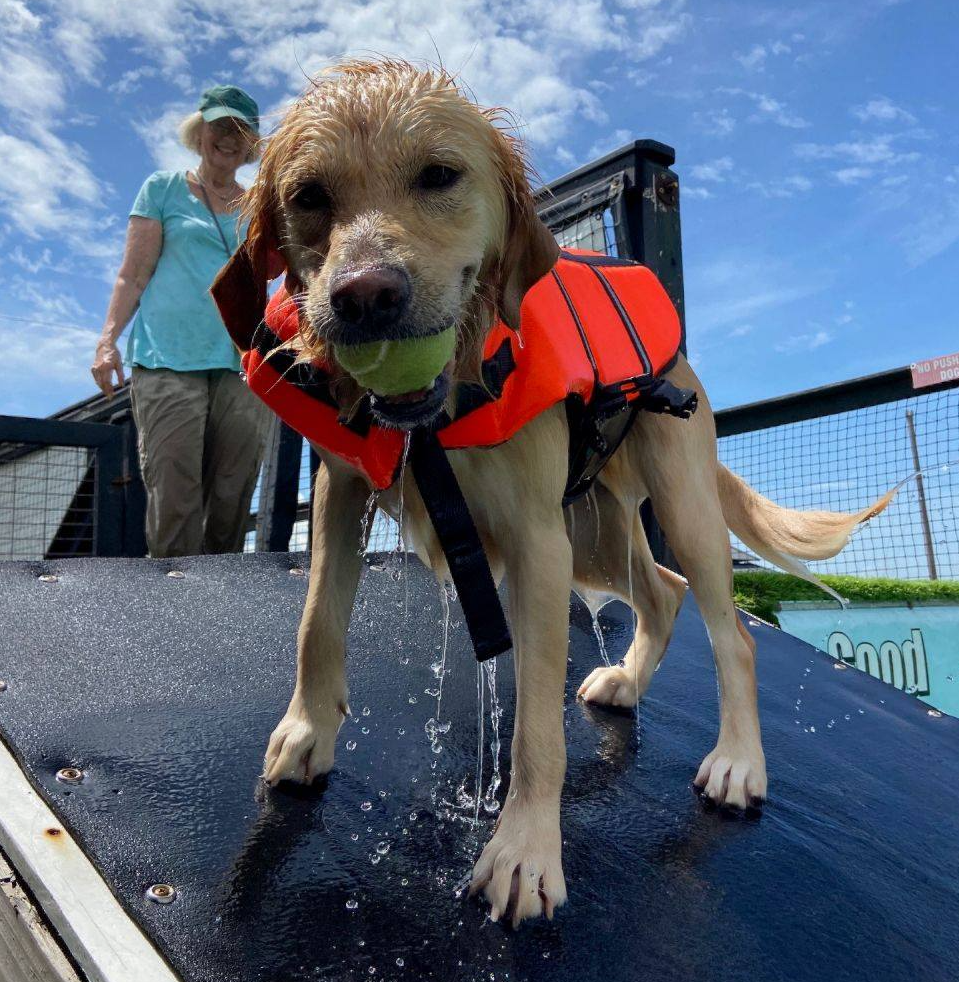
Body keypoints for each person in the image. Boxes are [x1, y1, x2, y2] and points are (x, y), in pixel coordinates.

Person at [91, 85, 271, 558]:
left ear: (251, 142)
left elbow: (281, 274)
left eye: (240, 130)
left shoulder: (258, 208)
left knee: (234, 492)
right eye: (220, 126)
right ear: (200, 130)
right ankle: (173, 609)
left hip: (240, 363)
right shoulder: (163, 189)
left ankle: (221, 606)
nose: (229, 138)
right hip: (167, 359)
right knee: (176, 492)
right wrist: (107, 341)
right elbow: (132, 275)